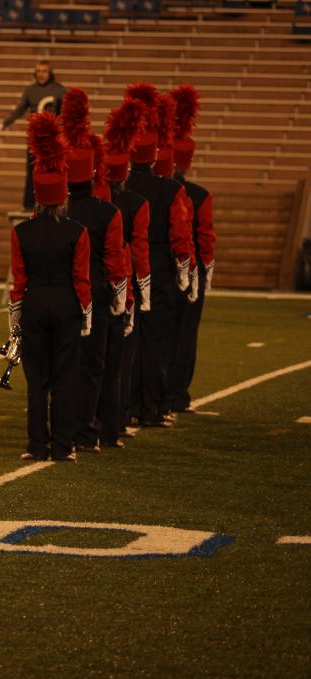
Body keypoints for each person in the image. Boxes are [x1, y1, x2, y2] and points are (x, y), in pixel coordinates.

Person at [7, 111, 91, 462]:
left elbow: (18, 279)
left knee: (36, 379)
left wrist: (14, 321)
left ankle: (36, 444)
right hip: (68, 303)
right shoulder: (77, 231)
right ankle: (63, 445)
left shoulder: (21, 231)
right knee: (64, 378)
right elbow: (82, 278)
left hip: (35, 303)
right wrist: (86, 314)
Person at [57, 89, 129, 453]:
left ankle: (61, 431)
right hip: (97, 293)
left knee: (63, 365)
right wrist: (122, 297)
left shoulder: (56, 213)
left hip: (60, 291)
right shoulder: (108, 212)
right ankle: (87, 431)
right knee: (93, 365)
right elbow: (116, 259)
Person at [124, 83, 196, 429]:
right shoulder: (171, 189)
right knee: (156, 342)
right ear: (154, 155)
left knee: (126, 341)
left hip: (126, 267)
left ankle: (122, 408)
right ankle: (151, 408)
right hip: (161, 268)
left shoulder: (119, 190)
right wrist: (185, 271)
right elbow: (181, 235)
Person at [97, 97, 149, 444]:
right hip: (121, 282)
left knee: (91, 362)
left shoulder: (93, 205)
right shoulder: (134, 204)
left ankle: (87, 424)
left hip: (90, 285)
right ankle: (114, 423)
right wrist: (138, 293)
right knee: (119, 361)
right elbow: (137, 251)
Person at [168, 83, 214, 415]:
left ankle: (148, 397)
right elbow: (206, 239)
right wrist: (204, 274)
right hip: (191, 270)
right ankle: (177, 395)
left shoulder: (150, 192)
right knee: (184, 336)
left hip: (158, 269)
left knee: (154, 337)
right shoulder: (199, 195)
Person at [0, 59, 67, 209]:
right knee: (32, 172)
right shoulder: (30, 90)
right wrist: (4, 123)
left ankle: (55, 203)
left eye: (44, 71)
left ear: (50, 73)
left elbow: (65, 114)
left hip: (53, 140)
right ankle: (28, 205)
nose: (41, 74)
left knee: (54, 171)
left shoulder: (59, 90)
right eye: (38, 71)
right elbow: (19, 110)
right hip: (35, 140)